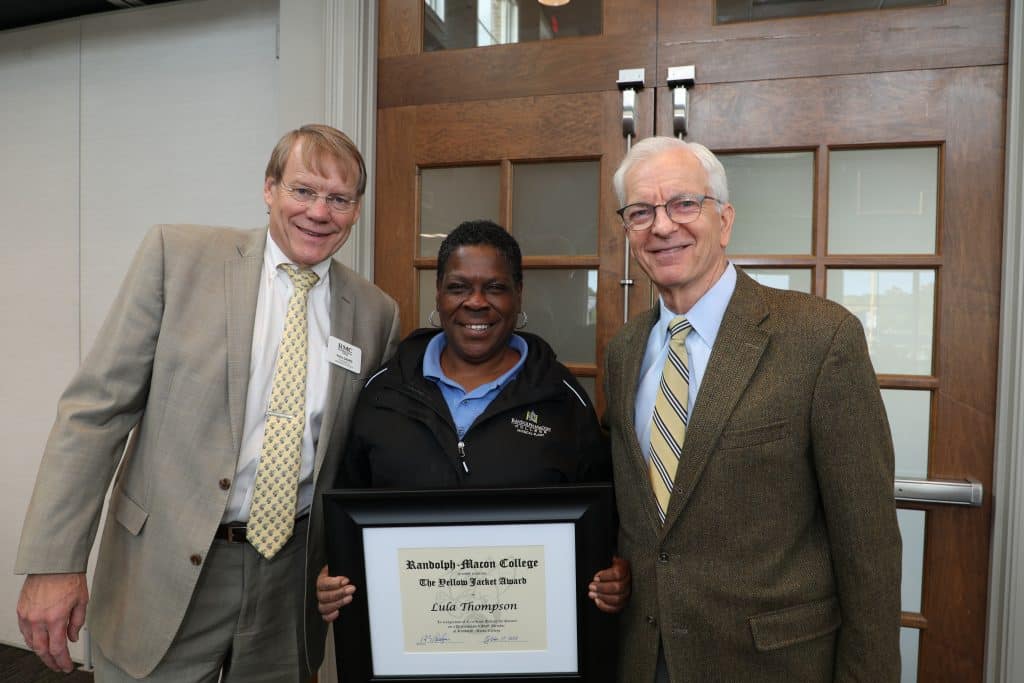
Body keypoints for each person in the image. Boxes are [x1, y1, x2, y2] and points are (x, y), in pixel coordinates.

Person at [14, 124, 401, 682]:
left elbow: (358, 457)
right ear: (269, 189)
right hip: (164, 568)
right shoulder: (180, 258)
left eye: (339, 199)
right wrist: (55, 562)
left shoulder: (375, 312)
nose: (320, 212)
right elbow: (95, 412)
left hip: (288, 579)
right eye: (303, 190)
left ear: (356, 210)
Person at [604, 136, 901, 681]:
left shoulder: (819, 338)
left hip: (772, 662)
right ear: (628, 231)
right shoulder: (625, 352)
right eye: (641, 212)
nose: (662, 226)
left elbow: (869, 545)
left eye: (684, 204)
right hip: (648, 658)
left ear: (725, 219)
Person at [316, 220, 630, 624]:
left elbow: (602, 526)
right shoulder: (382, 393)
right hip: (411, 641)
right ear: (439, 295)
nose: (476, 302)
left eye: (495, 287)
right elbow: (349, 514)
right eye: (459, 287)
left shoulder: (562, 400)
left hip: (526, 643)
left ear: (519, 295)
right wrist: (335, 574)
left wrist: (614, 573)